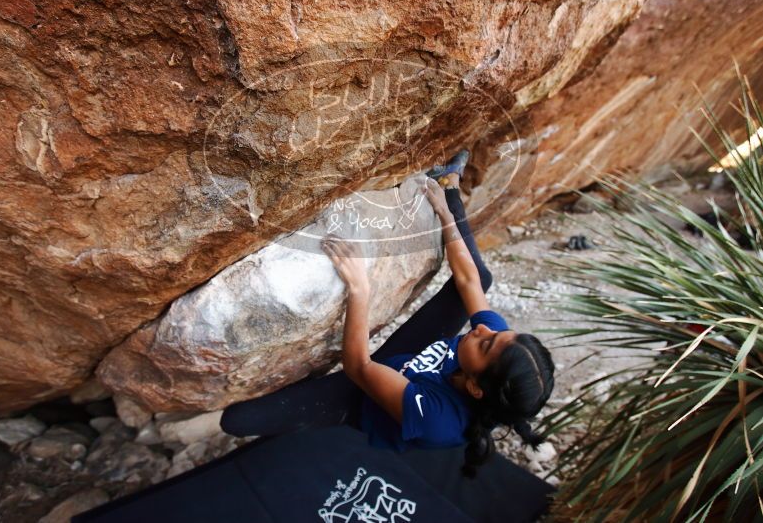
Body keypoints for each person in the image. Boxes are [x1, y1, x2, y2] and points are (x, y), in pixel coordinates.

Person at [221, 150, 555, 478]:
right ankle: (449, 181)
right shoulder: (498, 348)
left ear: (476, 387)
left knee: (237, 420)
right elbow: (468, 279)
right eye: (496, 333)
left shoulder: (439, 421)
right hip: (412, 356)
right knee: (481, 280)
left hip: (363, 397)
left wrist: (359, 288)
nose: (483, 330)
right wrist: (444, 212)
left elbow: (359, 368)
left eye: (485, 345)